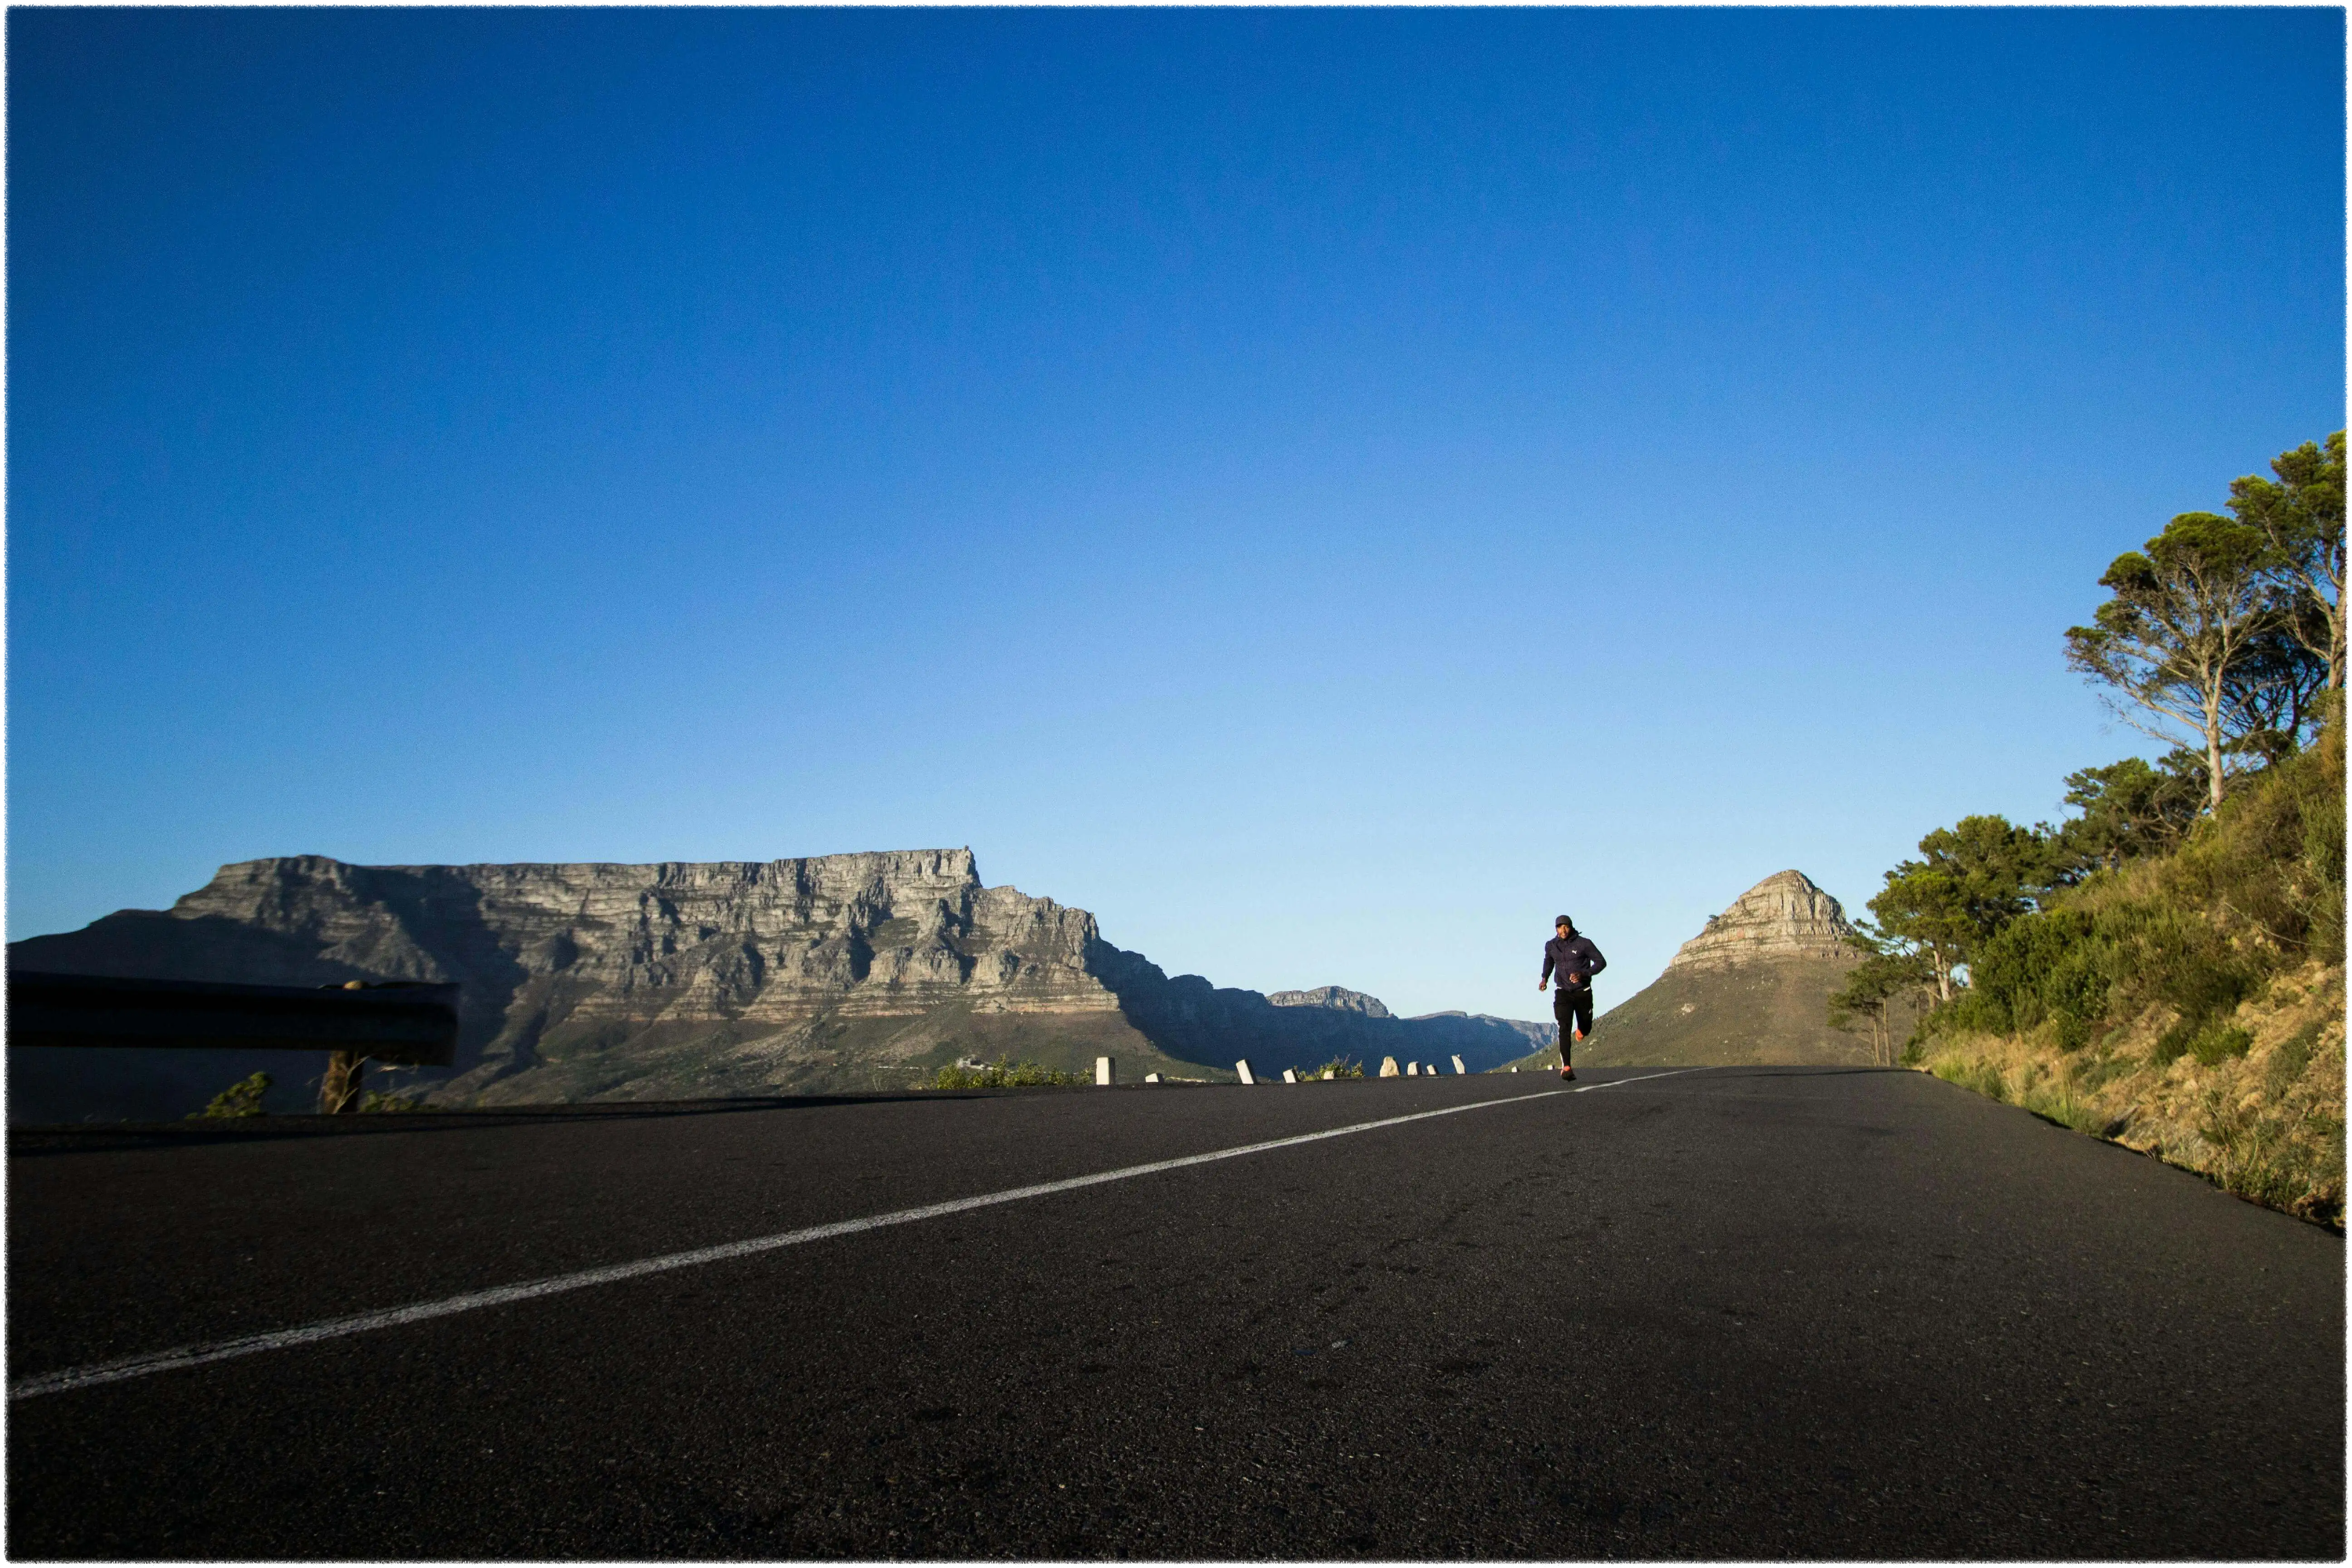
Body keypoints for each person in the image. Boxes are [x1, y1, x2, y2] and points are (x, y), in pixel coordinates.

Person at [1538, 914, 1606, 1081]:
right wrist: (1545, 978)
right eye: (1560, 927)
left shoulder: (1584, 944)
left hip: (1582, 991)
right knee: (1564, 1025)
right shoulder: (1551, 946)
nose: (1563, 930)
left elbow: (1601, 962)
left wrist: (1584, 973)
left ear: (1571, 927)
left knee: (1586, 1025)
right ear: (1556, 929)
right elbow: (1549, 962)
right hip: (1563, 991)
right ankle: (1566, 1066)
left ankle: (1582, 1029)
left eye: (1566, 926)